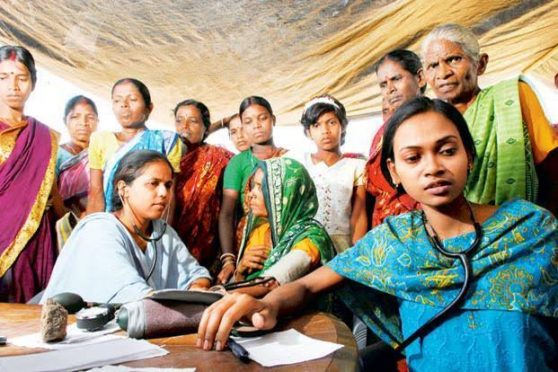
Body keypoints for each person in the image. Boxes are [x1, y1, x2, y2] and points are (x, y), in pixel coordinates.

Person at [197, 97, 558, 371]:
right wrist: (268, 304)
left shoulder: (532, 229)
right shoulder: (394, 240)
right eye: (413, 158)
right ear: (394, 171)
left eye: (447, 151)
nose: (433, 167)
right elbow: (308, 285)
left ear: (470, 157)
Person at [421, 23, 558, 215]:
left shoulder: (513, 96)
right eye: (433, 65)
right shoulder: (427, 122)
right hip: (459, 229)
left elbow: (551, 165)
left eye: (453, 59)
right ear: (424, 74)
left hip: (522, 224)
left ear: (481, 64)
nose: (443, 73)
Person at [42, 150, 211, 304]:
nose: (164, 193)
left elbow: (197, 275)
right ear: (123, 189)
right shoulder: (99, 230)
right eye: (154, 183)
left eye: (167, 185)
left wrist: (197, 287)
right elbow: (129, 292)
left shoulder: (163, 232)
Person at [0, 45, 66, 303]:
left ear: (33, 83)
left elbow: (51, 193)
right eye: (3, 77)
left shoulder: (44, 136)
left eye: (21, 78)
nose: (13, 86)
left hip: (34, 238)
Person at [231, 157, 335, 298]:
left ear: (287, 194)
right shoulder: (261, 231)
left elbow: (273, 282)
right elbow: (244, 281)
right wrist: (240, 272)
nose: (250, 194)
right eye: (253, 186)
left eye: (261, 188)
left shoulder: (311, 238)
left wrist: (221, 294)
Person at [217, 96, 288, 284]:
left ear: (273, 120)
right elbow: (226, 213)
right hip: (249, 242)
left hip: (285, 239)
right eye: (248, 121)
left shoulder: (290, 159)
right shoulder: (238, 163)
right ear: (243, 126)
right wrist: (228, 260)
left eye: (262, 118)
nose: (256, 125)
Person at [86, 78, 181, 214]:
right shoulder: (99, 139)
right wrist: (93, 229)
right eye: (117, 100)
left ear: (149, 108)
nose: (124, 105)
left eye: (132, 99)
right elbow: (96, 192)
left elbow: (169, 194)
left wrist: (160, 232)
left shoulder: (166, 141)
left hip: (149, 225)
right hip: (111, 223)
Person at [291, 95, 367, 253]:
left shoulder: (356, 166)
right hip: (304, 244)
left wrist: (356, 253)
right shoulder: (298, 163)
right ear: (308, 132)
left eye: (331, 122)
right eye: (316, 125)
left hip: (340, 246)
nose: (325, 131)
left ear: (343, 126)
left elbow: (358, 214)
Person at [172, 99, 233, 273]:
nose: (184, 126)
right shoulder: (162, 155)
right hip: (166, 240)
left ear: (205, 128)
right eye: (179, 120)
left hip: (205, 247)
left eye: (193, 121)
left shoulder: (218, 157)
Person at [366, 50, 425, 228]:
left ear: (420, 78)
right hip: (384, 228)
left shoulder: (435, 121)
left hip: (424, 225)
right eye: (383, 84)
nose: (390, 89)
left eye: (396, 79)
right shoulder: (381, 133)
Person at [55, 96, 99, 249]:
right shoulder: (56, 154)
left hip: (97, 225)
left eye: (90, 117)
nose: (83, 123)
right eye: (75, 117)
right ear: (65, 120)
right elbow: (51, 193)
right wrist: (70, 217)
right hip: (62, 225)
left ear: (98, 122)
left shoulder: (103, 154)